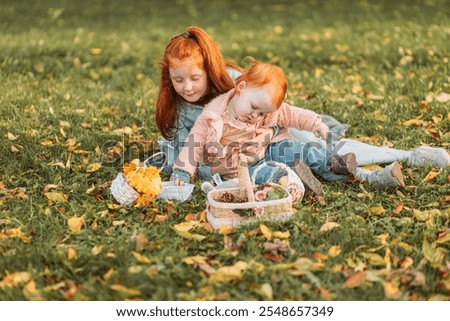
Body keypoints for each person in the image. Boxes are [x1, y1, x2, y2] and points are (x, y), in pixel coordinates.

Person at [152, 26, 449, 190]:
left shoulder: (232, 83)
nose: (187, 87)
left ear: (208, 69)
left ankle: (407, 156)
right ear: (169, 77)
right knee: (285, 166)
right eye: (178, 80)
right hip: (246, 158)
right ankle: (367, 177)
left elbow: (278, 109)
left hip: (276, 133)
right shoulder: (182, 108)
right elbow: (189, 146)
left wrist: (308, 124)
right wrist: (178, 166)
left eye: (194, 78)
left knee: (322, 150)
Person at [170, 60, 357, 202]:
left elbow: (294, 114)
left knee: (299, 149)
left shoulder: (264, 108)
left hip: (269, 148)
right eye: (254, 108)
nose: (256, 116)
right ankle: (294, 183)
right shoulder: (213, 117)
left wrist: (317, 124)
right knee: (265, 174)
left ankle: (332, 165)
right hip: (244, 165)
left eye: (263, 113)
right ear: (240, 88)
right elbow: (193, 144)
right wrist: (182, 172)